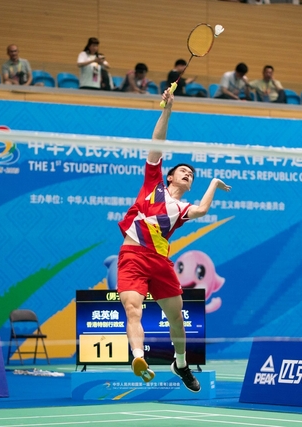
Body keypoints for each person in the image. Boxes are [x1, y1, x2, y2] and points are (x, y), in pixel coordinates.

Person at [117, 88, 231, 392]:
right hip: (132, 257)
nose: (188, 175)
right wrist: (167, 109)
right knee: (132, 308)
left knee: (176, 320)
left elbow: (204, 209)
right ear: (169, 176)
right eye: (183, 171)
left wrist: (214, 184)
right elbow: (158, 143)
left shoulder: (182, 210)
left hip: (160, 263)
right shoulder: (152, 184)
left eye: (191, 175)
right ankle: (139, 357)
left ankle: (180, 363)